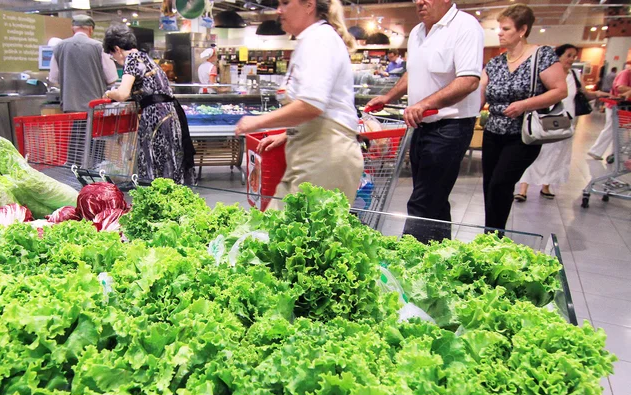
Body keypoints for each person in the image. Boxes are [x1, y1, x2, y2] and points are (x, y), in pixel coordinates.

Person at [366, 0, 484, 243]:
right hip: (421, 125)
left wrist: (425, 104)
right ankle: (440, 256)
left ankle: (408, 265)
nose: (420, 2)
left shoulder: (465, 26)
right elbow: (414, 71)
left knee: (422, 201)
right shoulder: (418, 32)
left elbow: (469, 80)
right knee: (435, 200)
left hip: (451, 126)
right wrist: (390, 96)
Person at [233, 0, 363, 210]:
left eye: (285, 3)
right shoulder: (311, 40)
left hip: (325, 157)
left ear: (309, 5)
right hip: (312, 154)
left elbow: (311, 105)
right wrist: (289, 133)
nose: (279, 10)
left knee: (290, 235)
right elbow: (319, 106)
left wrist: (257, 122)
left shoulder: (320, 40)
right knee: (273, 231)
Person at [479, 5, 567, 231]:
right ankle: (491, 233)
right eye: (499, 28)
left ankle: (494, 237)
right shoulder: (496, 62)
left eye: (505, 28)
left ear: (522, 30)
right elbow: (479, 92)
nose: (499, 33)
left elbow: (559, 90)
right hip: (492, 132)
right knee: (489, 185)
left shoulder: (542, 55)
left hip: (523, 135)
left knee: (501, 183)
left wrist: (524, 104)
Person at [515, 44, 609, 201]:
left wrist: (598, 94)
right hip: (544, 119)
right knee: (536, 153)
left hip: (565, 122)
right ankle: (523, 189)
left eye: (574, 56)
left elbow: (584, 94)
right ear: (558, 57)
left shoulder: (575, 75)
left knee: (557, 155)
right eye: (569, 55)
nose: (572, 59)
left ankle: (546, 185)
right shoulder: (546, 73)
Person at [104, 24, 196, 184]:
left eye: (113, 56)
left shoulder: (131, 59)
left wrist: (109, 93)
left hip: (156, 119)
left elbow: (123, 93)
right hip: (169, 115)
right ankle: (172, 204)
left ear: (117, 49)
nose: (116, 60)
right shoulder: (144, 57)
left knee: (155, 168)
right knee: (170, 165)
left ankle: (158, 205)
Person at [52, 15, 117, 113]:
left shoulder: (59, 47)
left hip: (70, 108)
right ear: (91, 30)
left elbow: (54, 78)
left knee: (75, 129)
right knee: (93, 129)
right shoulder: (100, 47)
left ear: (72, 29)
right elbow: (111, 78)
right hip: (95, 107)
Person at [588, 61, 631, 160]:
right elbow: (620, 88)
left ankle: (614, 153)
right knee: (612, 128)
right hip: (615, 106)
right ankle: (596, 151)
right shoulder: (626, 73)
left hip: (624, 107)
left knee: (618, 130)